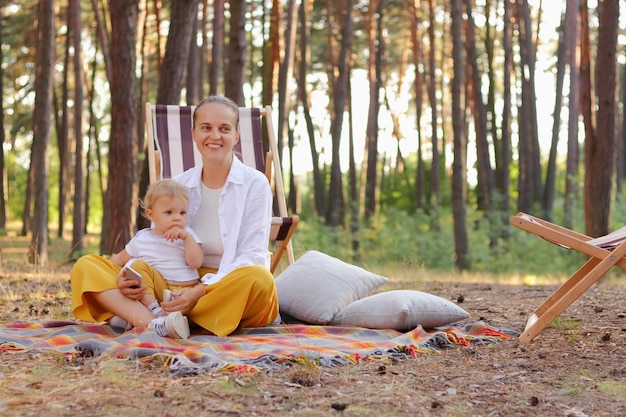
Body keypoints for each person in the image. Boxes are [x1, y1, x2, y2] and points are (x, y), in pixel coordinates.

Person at [70, 95, 279, 338]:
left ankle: (155, 317)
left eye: (224, 129)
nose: (215, 136)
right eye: (206, 128)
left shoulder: (255, 184)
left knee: (260, 278)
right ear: (193, 134)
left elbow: (252, 256)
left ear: (236, 136)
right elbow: (154, 245)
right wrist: (127, 276)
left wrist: (200, 291)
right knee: (87, 266)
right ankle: (157, 324)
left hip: (224, 287)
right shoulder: (178, 185)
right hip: (172, 286)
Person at [108, 178, 204, 338]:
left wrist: (186, 239)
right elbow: (117, 260)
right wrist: (119, 274)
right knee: (137, 265)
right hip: (158, 293)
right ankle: (156, 314)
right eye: (169, 212)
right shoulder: (142, 239)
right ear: (151, 215)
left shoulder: (188, 235)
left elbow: (196, 263)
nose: (177, 218)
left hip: (187, 292)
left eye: (182, 212)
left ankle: (149, 318)